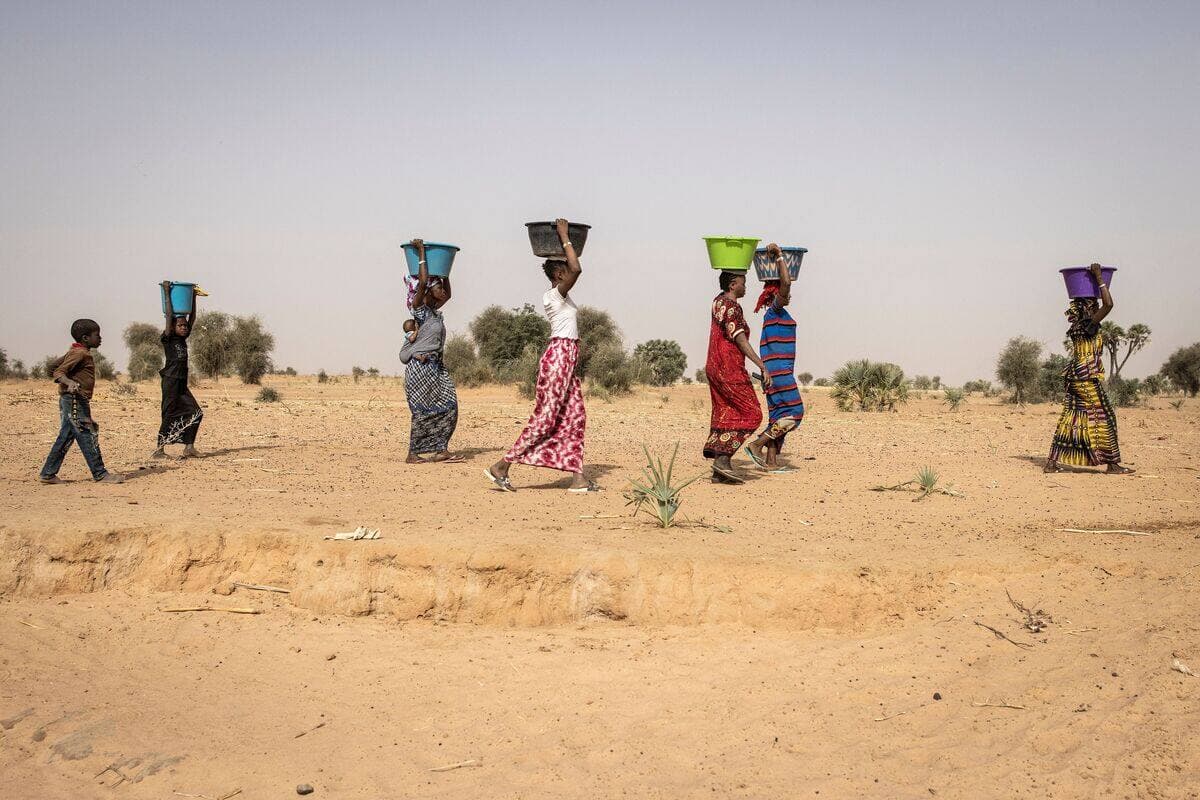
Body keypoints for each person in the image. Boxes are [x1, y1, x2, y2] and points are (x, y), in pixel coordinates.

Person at [485, 218, 597, 492]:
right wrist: (563, 235)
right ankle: (501, 466)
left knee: (574, 415)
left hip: (567, 358)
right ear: (558, 275)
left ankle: (578, 478)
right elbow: (577, 268)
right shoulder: (553, 297)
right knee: (546, 417)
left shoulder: (563, 298)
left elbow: (573, 268)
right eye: (564, 269)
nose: (568, 272)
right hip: (558, 356)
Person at [1045, 263, 1133, 475]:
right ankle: (1112, 464)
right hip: (1085, 375)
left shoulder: (1077, 326)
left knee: (1072, 417)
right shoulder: (1086, 325)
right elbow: (1109, 305)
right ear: (1087, 309)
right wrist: (1099, 278)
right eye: (1092, 304)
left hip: (1076, 375)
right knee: (1105, 416)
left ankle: (1051, 462)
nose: (1096, 306)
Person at [704, 269, 771, 484]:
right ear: (733, 284)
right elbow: (740, 340)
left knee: (726, 411)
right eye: (743, 281)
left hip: (714, 365)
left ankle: (719, 472)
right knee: (752, 413)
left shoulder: (717, 300)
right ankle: (722, 460)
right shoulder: (732, 307)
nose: (746, 286)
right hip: (728, 367)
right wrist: (762, 366)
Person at [38, 319, 124, 484]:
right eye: (97, 335)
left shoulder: (75, 351)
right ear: (85, 338)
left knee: (67, 435)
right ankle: (100, 473)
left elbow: (53, 368)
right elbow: (59, 372)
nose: (100, 338)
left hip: (71, 400)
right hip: (75, 400)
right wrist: (69, 382)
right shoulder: (80, 353)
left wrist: (64, 377)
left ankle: (48, 473)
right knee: (87, 433)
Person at [401, 239, 462, 464]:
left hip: (436, 367)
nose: (441, 290)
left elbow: (449, 295)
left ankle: (440, 449)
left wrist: (446, 271)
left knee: (449, 406)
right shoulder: (420, 311)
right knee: (422, 410)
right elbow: (424, 279)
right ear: (427, 290)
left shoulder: (434, 312)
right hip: (420, 367)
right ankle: (413, 453)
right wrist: (421, 253)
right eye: (437, 287)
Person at [745, 243, 804, 471]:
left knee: (778, 415)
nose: (788, 294)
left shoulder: (771, 315)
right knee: (795, 412)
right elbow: (787, 282)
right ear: (776, 293)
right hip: (779, 370)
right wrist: (780, 256)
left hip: (772, 369)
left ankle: (770, 462)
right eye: (783, 293)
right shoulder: (775, 310)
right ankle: (757, 445)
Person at [154, 282, 203, 458]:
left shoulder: (183, 339)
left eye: (185, 326)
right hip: (170, 380)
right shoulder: (168, 338)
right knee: (169, 413)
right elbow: (168, 315)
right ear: (173, 326)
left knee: (196, 412)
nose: (184, 327)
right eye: (180, 325)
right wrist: (167, 291)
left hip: (181, 382)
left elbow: (193, 318)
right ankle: (159, 450)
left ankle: (189, 447)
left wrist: (194, 298)